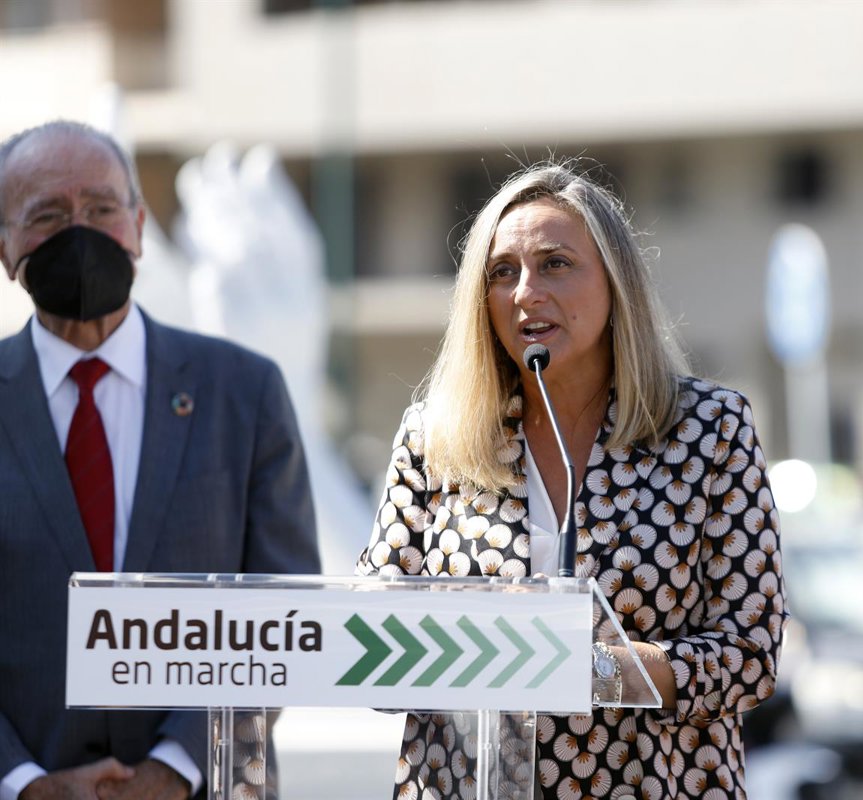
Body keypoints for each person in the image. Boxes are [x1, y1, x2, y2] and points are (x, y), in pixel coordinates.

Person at [356, 162, 787, 799]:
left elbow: (751, 656)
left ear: (616, 282)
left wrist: (594, 672)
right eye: (503, 272)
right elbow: (374, 635)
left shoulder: (710, 429)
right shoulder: (434, 436)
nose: (526, 293)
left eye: (555, 264)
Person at [0, 121, 321, 800]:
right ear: (5, 247)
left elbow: (286, 602)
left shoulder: (244, 390)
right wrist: (25, 783)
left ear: (140, 228)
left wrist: (175, 769)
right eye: (48, 215)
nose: (79, 232)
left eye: (101, 208)